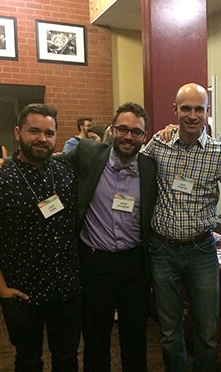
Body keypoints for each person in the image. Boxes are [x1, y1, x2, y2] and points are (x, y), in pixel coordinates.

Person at [0, 103, 81, 371]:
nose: (42, 138)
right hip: (22, 292)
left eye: (49, 133)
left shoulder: (65, 170)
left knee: (67, 358)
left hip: (66, 288)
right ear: (18, 132)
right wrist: (2, 291)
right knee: (28, 361)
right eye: (34, 131)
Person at [142, 83, 221, 371]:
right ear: (175, 111)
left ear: (207, 111)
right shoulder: (158, 144)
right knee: (169, 333)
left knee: (207, 333)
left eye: (198, 109)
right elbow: (125, 165)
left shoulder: (220, 153)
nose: (192, 115)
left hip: (202, 251)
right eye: (186, 108)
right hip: (162, 250)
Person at [63, 103, 157, 371]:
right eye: (123, 129)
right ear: (112, 130)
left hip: (135, 265)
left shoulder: (150, 167)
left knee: (135, 339)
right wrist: (6, 161)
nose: (128, 137)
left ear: (144, 136)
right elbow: (47, 160)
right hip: (95, 263)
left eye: (136, 132)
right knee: (95, 339)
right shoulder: (87, 153)